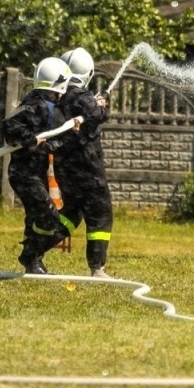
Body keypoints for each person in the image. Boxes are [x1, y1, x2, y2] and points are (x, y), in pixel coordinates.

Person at [1, 56, 76, 274]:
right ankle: (30, 255)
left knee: (36, 216)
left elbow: (54, 135)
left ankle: (34, 262)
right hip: (25, 174)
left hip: (34, 171)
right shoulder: (36, 105)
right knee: (48, 217)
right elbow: (10, 127)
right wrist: (31, 140)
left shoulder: (47, 104)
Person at [53, 47, 114, 278]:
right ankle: (97, 268)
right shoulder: (81, 95)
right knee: (100, 213)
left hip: (65, 166)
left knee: (71, 213)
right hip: (88, 167)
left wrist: (94, 104)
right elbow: (98, 116)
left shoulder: (58, 96)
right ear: (88, 73)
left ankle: (34, 249)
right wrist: (99, 105)